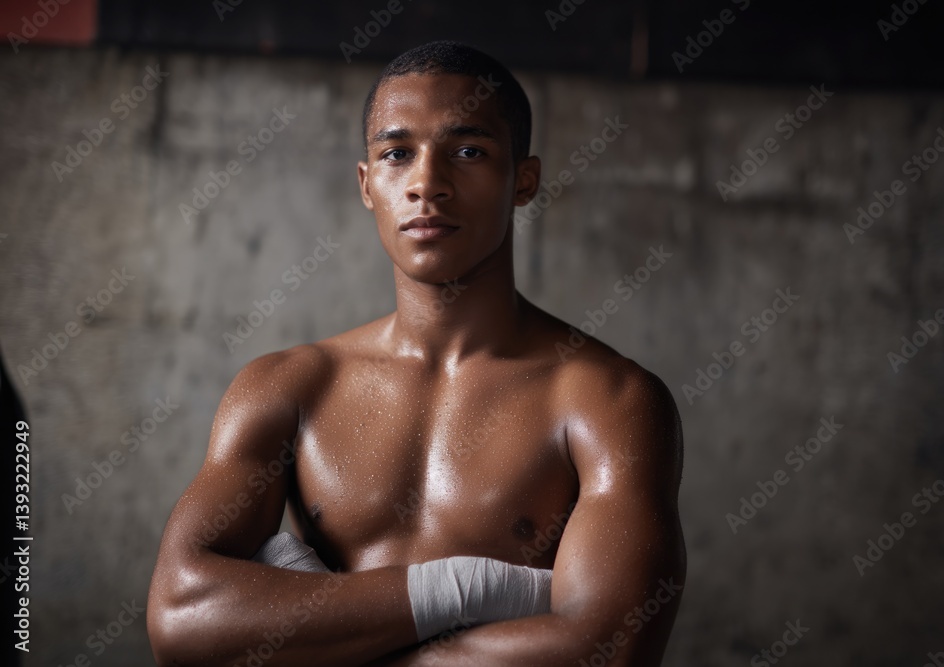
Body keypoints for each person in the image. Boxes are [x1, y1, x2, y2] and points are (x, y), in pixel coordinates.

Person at [147, 40, 685, 666]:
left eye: (468, 151)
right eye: (397, 154)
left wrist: (320, 638)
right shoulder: (288, 387)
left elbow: (609, 647)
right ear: (367, 183)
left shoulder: (609, 399)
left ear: (524, 180)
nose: (427, 183)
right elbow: (181, 619)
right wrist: (463, 594)